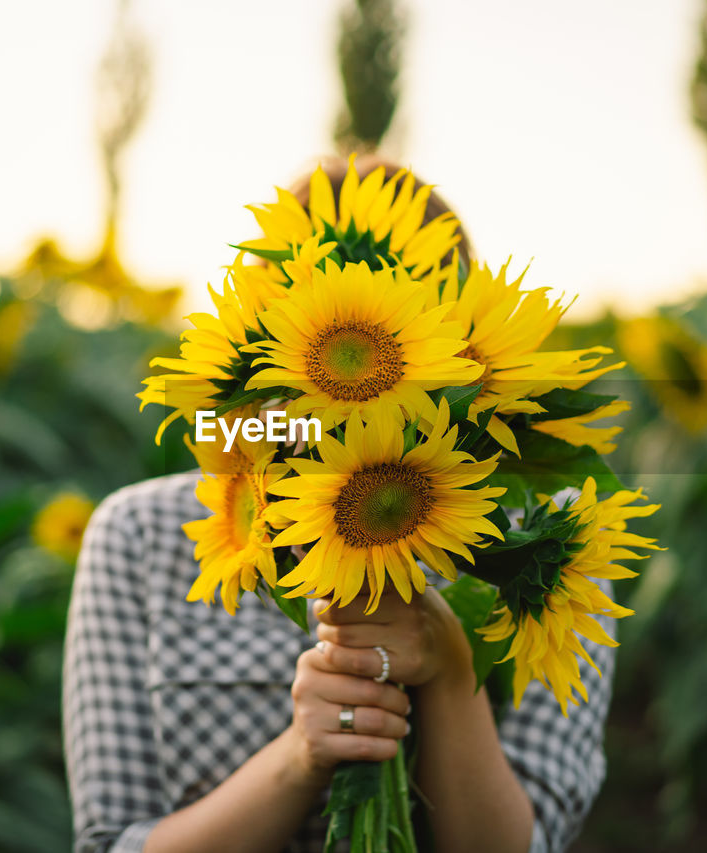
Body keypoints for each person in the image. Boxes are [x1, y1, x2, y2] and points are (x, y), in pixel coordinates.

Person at [62, 160, 616, 853]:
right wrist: (300, 756)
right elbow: (110, 843)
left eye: (414, 327)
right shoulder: (143, 534)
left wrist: (447, 667)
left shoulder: (543, 530)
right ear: (262, 334)